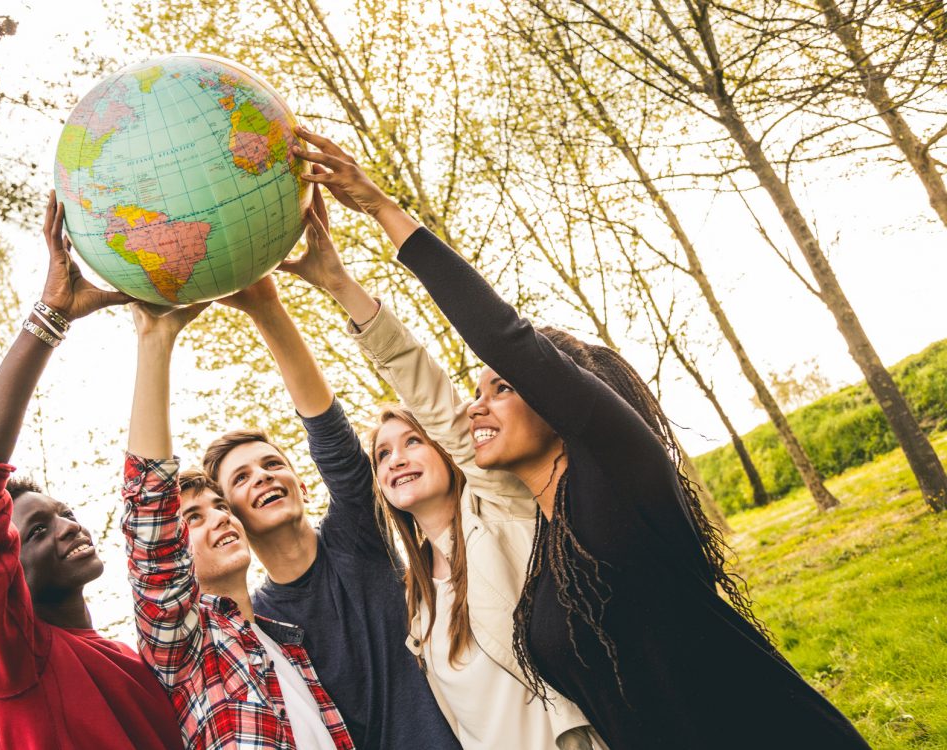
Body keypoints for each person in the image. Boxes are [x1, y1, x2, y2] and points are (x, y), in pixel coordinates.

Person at [289, 127, 871, 749]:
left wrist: (380, 207)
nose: (474, 407)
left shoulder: (622, 477)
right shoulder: (541, 541)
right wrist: (340, 288)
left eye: (500, 389)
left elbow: (504, 336)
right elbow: (435, 406)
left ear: (559, 400)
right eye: (477, 393)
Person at [272, 184, 598, 750]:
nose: (396, 459)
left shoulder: (501, 509)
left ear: (448, 451)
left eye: (412, 443)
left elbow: (425, 388)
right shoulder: (416, 599)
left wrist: (339, 285)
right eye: (382, 454)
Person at [0, 192, 182, 750]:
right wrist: (52, 316)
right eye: (38, 531)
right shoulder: (5, 666)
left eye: (64, 514)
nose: (69, 527)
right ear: (5, 570)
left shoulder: (131, 662)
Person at [205, 278, 461, 750]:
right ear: (231, 516)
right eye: (240, 479)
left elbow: (332, 439)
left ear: (301, 484)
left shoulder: (356, 535)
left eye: (272, 464)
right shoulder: (260, 626)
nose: (262, 476)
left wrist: (267, 309)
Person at [121, 297, 354, 750]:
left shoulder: (288, 647)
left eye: (221, 507)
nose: (219, 518)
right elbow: (149, 515)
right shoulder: (186, 645)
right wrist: (156, 341)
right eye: (193, 517)